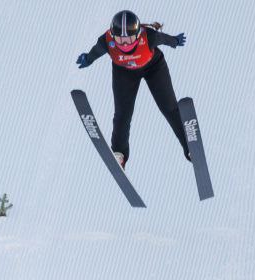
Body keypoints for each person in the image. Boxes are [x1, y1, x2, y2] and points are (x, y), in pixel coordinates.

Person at [76, 10, 189, 170]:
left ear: (137, 35)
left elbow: (165, 39)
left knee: (169, 108)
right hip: (124, 73)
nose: (124, 43)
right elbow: (96, 51)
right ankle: (119, 154)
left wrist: (175, 41)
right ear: (112, 35)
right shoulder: (107, 41)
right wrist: (88, 59)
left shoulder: (149, 36)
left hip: (154, 67)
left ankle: (189, 146)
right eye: (120, 39)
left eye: (129, 38)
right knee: (122, 115)